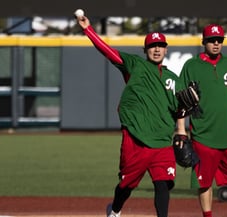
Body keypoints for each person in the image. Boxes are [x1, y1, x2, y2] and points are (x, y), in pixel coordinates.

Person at [76, 15, 180, 217]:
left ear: (166, 49)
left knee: (162, 185)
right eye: (152, 46)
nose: (157, 49)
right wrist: (88, 30)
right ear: (145, 50)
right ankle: (115, 210)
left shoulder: (173, 79)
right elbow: (108, 51)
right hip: (136, 139)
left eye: (160, 45)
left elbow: (181, 108)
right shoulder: (135, 65)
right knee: (126, 185)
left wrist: (184, 132)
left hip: (162, 140)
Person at [175, 24, 227, 217]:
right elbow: (181, 100)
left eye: (219, 40)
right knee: (203, 183)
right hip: (203, 136)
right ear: (204, 42)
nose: (216, 43)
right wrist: (181, 129)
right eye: (212, 40)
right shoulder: (191, 66)